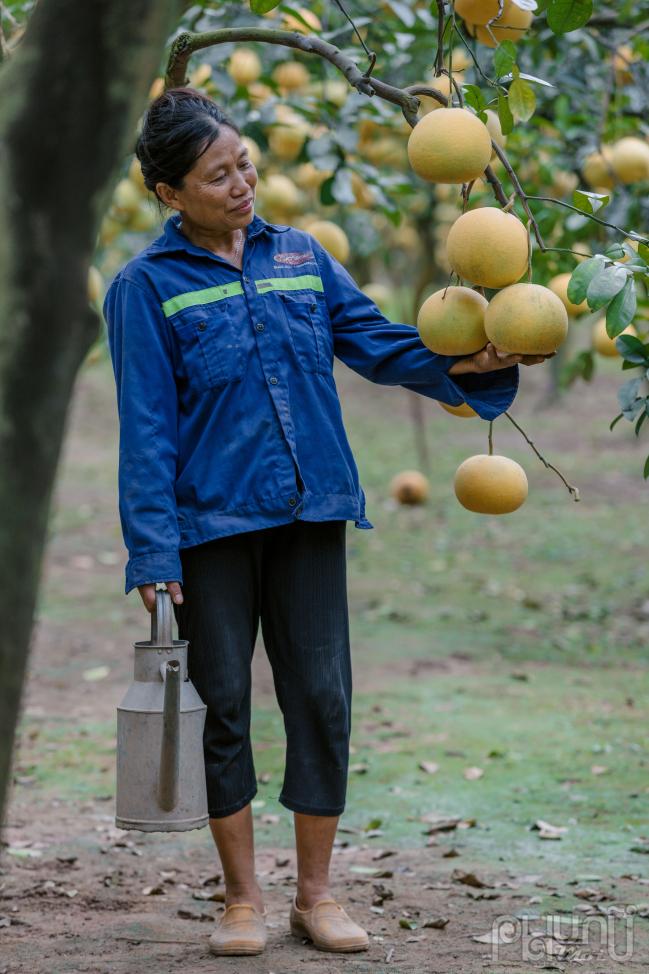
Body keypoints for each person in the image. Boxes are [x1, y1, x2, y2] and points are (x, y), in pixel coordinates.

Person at [104, 87, 547, 957]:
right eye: (217, 175)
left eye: (244, 164)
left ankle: (316, 896)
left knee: (321, 698)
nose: (241, 183)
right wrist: (152, 551)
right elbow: (146, 431)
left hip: (311, 512)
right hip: (207, 529)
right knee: (223, 704)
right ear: (168, 193)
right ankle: (241, 901)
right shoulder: (143, 288)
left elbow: (380, 344)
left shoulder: (302, 256)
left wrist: (478, 360)